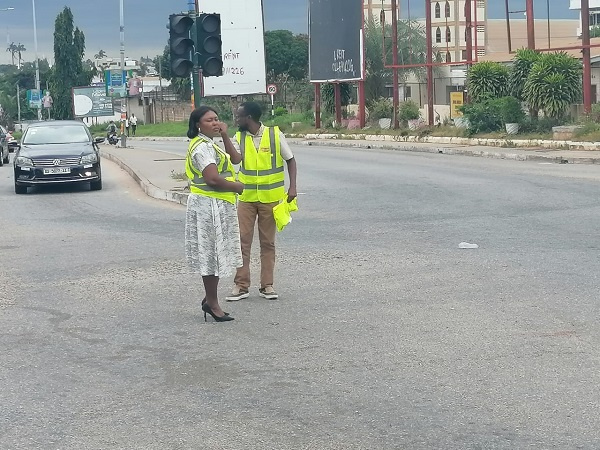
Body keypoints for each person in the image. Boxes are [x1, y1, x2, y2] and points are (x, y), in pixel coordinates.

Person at [226, 102, 297, 302]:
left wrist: (292, 187)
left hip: (270, 198)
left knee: (268, 243)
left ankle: (267, 285)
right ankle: (241, 285)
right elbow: (235, 160)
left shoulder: (275, 134)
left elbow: (290, 160)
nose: (236, 119)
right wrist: (225, 137)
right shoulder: (238, 137)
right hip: (247, 199)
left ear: (249, 117)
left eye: (239, 116)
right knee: (242, 242)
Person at [185, 106, 244, 322]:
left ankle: (210, 299)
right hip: (207, 206)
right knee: (211, 256)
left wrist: (226, 134)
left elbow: (236, 159)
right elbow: (211, 178)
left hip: (217, 205)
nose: (215, 123)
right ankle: (212, 303)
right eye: (209, 120)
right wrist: (236, 186)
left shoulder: (212, 144)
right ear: (198, 125)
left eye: (217, 119)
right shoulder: (201, 148)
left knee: (216, 255)